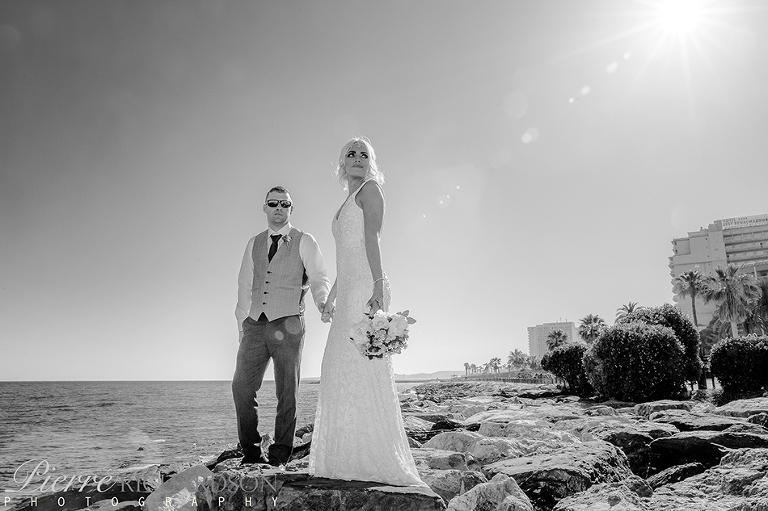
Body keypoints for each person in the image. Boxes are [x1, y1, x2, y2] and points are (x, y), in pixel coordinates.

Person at [309, 137, 425, 486]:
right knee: (338, 367)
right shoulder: (346, 200)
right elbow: (345, 258)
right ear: (342, 164)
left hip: (365, 289)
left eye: (364, 154)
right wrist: (331, 299)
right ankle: (343, 458)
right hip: (348, 291)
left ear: (370, 163)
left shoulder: (370, 190)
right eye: (351, 153)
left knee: (363, 368)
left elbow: (372, 238)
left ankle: (375, 457)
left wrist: (377, 285)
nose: (357, 158)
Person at [233, 186, 331, 466]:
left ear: (291, 209)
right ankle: (251, 453)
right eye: (273, 203)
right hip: (255, 324)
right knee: (241, 387)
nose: (279, 208)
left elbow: (319, 276)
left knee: (287, 391)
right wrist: (242, 323)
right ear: (265, 207)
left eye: (284, 204)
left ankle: (280, 455)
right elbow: (245, 284)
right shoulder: (254, 243)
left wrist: (322, 301)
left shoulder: (305, 240)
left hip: (289, 324)